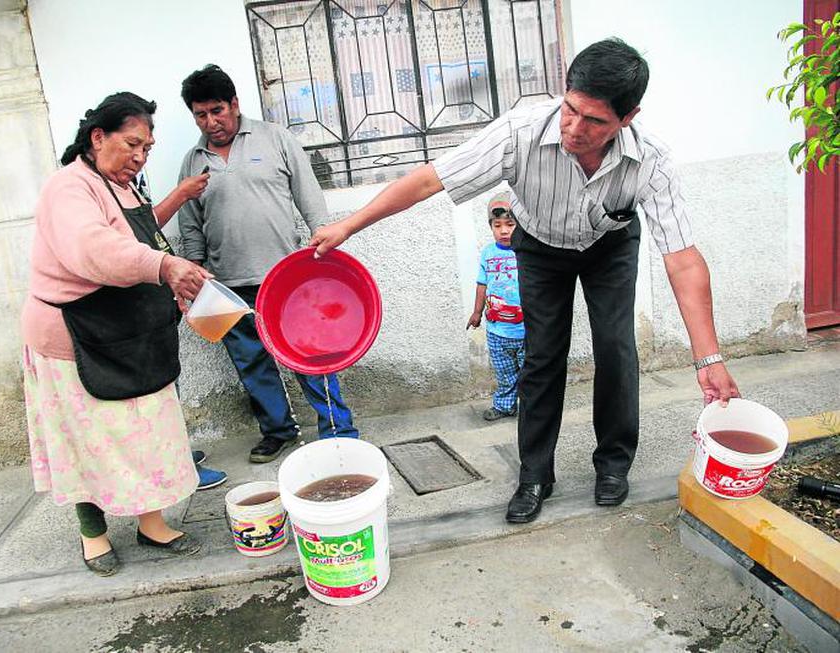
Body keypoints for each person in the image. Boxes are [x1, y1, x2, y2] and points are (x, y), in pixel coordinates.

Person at [310, 39, 740, 523]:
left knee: (617, 348)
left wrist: (709, 358)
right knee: (542, 356)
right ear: (565, 92)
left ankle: (613, 466)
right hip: (539, 245)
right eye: (571, 110)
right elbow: (432, 179)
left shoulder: (652, 161)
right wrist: (350, 225)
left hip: (610, 246)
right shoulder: (519, 133)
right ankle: (535, 474)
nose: (575, 128)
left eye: (595, 121)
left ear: (628, 117)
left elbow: (682, 259)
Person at [21, 92, 226, 577]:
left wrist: (182, 275)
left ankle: (150, 524)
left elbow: (141, 242)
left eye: (147, 148)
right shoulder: (68, 189)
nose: (139, 156)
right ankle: (93, 535)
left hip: (129, 333)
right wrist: (164, 266)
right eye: (131, 144)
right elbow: (94, 249)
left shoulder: (126, 188)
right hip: (77, 340)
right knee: (86, 441)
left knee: (145, 435)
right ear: (98, 137)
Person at [177, 65, 359, 464]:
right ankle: (278, 431)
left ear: (235, 104)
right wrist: (193, 275)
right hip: (227, 285)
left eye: (217, 111)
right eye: (201, 115)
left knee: (310, 355)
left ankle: (337, 430)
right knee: (252, 363)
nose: (211, 122)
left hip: (286, 278)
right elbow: (190, 225)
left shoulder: (275, 138)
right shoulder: (193, 161)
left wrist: (322, 236)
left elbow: (307, 193)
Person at [467, 191, 526, 422]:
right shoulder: (488, 253)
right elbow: (482, 283)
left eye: (510, 224)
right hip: (496, 331)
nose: (503, 231)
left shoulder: (526, 251)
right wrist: (476, 312)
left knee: (529, 374)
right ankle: (504, 406)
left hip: (525, 330)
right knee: (504, 373)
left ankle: (532, 410)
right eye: (497, 225)